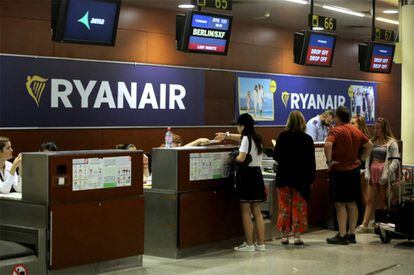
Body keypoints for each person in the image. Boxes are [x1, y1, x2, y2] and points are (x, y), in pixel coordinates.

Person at [215, 113, 266, 252]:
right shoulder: (257, 138)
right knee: (257, 211)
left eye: (238, 125)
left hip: (246, 176)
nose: (237, 128)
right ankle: (261, 244)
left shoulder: (246, 139)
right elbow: (243, 138)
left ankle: (249, 244)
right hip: (257, 175)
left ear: (243, 126)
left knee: (245, 211)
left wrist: (232, 157)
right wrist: (227, 135)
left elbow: (242, 158)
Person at [324, 106, 373, 245]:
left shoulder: (336, 131)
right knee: (352, 203)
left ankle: (342, 234)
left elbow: (328, 145)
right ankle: (352, 234)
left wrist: (329, 162)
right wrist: (361, 159)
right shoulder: (355, 130)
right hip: (353, 171)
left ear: (337, 117)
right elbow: (369, 145)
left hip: (339, 171)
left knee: (340, 204)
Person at [273, 111, 316, 245]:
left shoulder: (282, 137)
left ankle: (285, 236)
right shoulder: (307, 139)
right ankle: (297, 236)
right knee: (299, 207)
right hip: (301, 180)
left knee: (284, 208)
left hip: (284, 177)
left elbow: (276, 156)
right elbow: (311, 162)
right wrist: (311, 180)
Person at [356, 117, 399, 233]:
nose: (375, 130)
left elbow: (395, 160)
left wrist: (388, 173)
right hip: (373, 172)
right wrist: (366, 171)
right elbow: (367, 158)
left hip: (384, 174)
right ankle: (365, 225)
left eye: (378, 128)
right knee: (370, 200)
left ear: (384, 129)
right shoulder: (372, 141)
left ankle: (384, 225)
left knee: (383, 201)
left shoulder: (392, 143)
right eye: (374, 128)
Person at [350, 116, 371, 225]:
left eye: (353, 123)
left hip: (362, 169)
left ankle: (364, 221)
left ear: (360, 124)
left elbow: (368, 150)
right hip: (354, 168)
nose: (351, 124)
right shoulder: (352, 135)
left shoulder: (363, 137)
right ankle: (359, 220)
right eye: (350, 122)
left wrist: (360, 160)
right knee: (356, 196)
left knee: (362, 195)